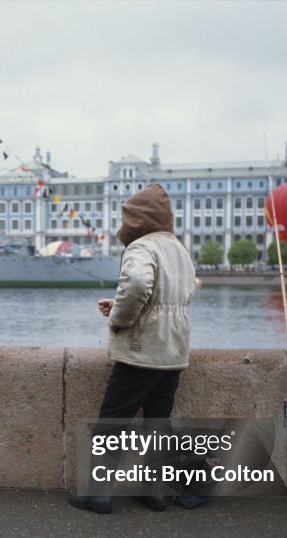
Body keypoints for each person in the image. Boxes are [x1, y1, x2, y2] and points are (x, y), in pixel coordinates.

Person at [69, 183, 196, 514]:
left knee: (112, 422)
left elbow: (139, 284)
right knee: (158, 422)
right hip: (174, 350)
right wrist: (122, 304)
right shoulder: (179, 249)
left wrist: (119, 320)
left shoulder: (141, 247)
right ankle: (153, 493)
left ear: (137, 220)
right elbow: (178, 295)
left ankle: (98, 493)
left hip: (142, 350)